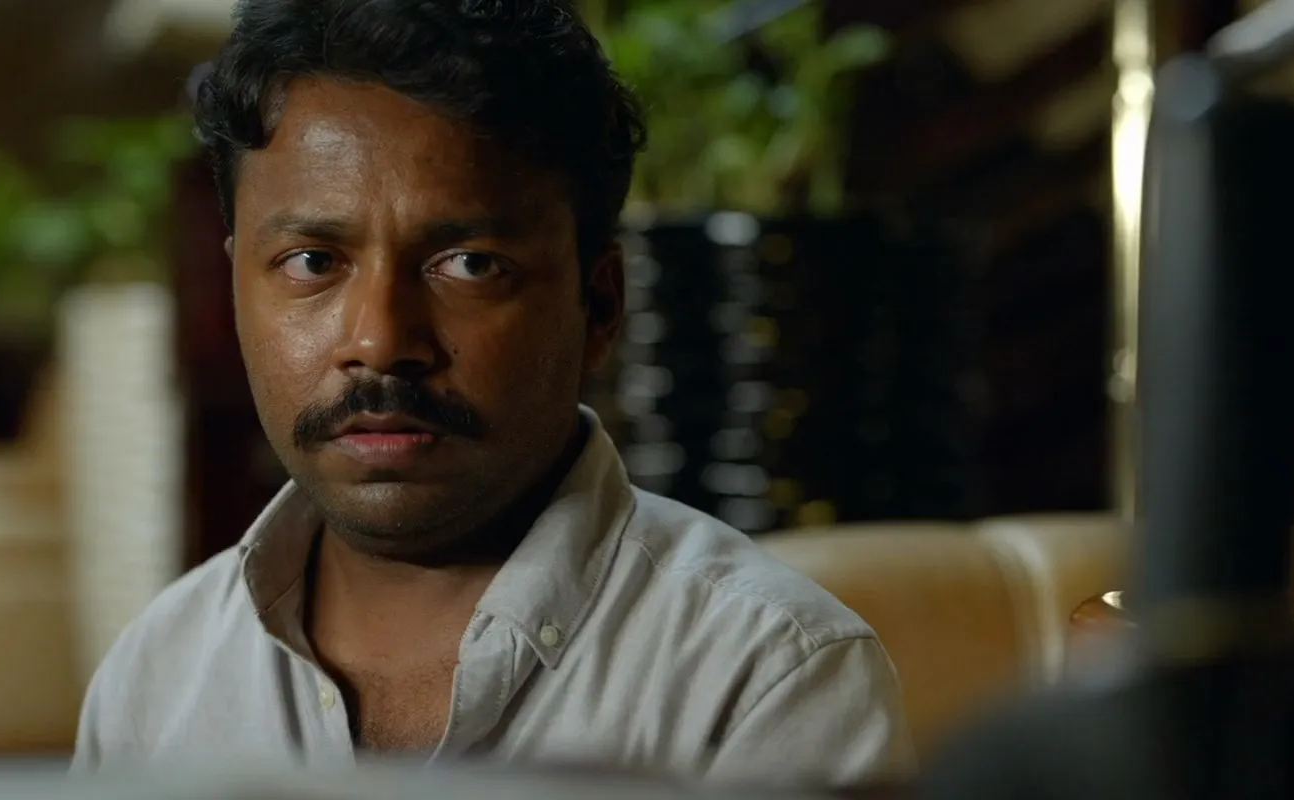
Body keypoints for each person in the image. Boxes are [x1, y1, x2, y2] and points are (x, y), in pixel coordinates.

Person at [71, 0, 912, 787]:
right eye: (312, 262)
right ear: (234, 290)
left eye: (470, 264)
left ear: (600, 306)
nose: (380, 341)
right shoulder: (160, 679)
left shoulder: (763, 678)